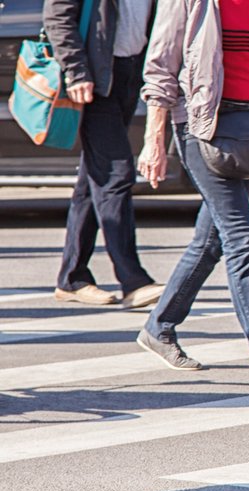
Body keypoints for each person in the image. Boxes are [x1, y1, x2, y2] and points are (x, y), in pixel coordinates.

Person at [133, 0, 249, 383]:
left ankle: (159, 327)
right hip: (203, 127)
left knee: (210, 241)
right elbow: (160, 67)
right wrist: (153, 140)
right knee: (241, 240)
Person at [44, 0, 164, 309]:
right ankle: (133, 280)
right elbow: (57, 15)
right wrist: (76, 70)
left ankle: (72, 278)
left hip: (130, 71)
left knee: (93, 178)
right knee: (114, 173)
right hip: (95, 76)